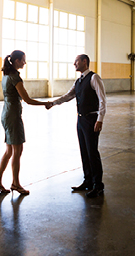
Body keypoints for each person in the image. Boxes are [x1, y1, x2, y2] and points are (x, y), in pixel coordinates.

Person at [47, 54, 107, 198]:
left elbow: (102, 100)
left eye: (76, 61)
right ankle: (87, 181)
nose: (74, 64)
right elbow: (68, 96)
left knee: (92, 152)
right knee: (84, 151)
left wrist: (100, 119)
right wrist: (53, 103)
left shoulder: (94, 78)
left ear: (84, 62)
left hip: (92, 119)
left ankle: (98, 185)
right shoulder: (79, 81)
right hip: (80, 120)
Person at [0, 50, 51, 196]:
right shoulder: (15, 77)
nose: (25, 62)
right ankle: (15, 184)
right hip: (13, 116)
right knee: (17, 152)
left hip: (6, 114)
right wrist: (45, 103)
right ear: (17, 61)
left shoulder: (6, 76)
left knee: (9, 151)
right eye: (23, 60)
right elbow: (28, 100)